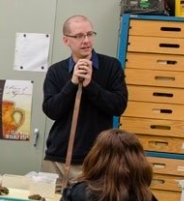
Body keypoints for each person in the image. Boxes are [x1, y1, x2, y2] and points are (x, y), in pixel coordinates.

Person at [42, 15, 128, 183]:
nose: (86, 40)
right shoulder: (56, 71)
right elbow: (52, 110)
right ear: (66, 40)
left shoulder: (111, 67)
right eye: (79, 36)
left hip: (96, 159)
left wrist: (90, 85)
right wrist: (72, 83)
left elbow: (118, 106)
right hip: (57, 159)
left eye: (90, 34)